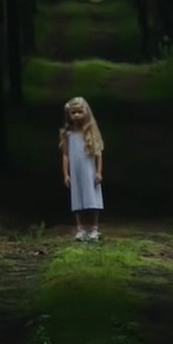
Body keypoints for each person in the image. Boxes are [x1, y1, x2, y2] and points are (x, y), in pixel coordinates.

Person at [59, 96, 104, 241]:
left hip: (89, 170)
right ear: (69, 115)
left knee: (92, 197)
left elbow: (98, 153)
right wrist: (66, 174)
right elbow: (65, 155)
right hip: (76, 171)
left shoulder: (90, 132)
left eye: (79, 111)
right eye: (73, 112)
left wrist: (98, 171)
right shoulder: (68, 134)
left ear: (85, 112)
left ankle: (94, 229)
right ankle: (81, 228)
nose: (76, 115)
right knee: (77, 197)